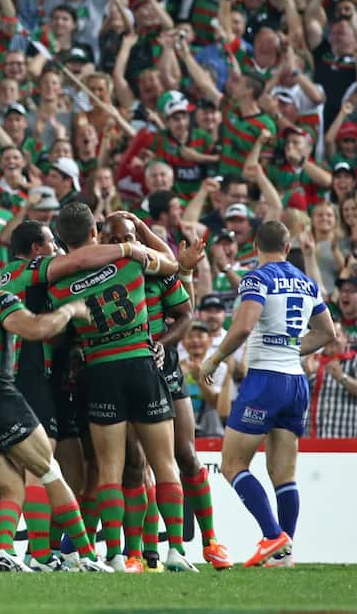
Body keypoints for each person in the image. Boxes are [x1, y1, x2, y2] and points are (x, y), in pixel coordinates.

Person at [0, 242, 110, 572]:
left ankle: (3, 551)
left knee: (10, 486)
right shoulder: (0, 300)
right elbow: (36, 329)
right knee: (48, 470)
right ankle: (88, 556)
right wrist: (70, 310)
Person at [46, 202, 199, 572]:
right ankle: (176, 551)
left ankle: (114, 555)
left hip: (100, 372)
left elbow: (60, 336)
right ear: (94, 233)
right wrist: (140, 232)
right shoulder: (131, 261)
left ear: (62, 241)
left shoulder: (59, 286)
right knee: (164, 464)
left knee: (109, 470)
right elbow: (173, 266)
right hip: (142, 365)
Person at [199, 220, 338, 568]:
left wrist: (215, 358)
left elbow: (244, 326)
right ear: (288, 248)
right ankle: (284, 553)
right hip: (296, 383)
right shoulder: (307, 283)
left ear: (255, 247)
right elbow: (327, 333)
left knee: (232, 464)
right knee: (284, 474)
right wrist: (290, 348)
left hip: (266, 380)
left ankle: (273, 536)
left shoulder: (257, 278)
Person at [100, 215, 233, 571]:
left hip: (165, 366)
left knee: (185, 455)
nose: (122, 243)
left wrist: (163, 343)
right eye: (114, 238)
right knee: (134, 464)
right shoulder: (99, 273)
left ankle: (210, 541)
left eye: (129, 237)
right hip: (126, 368)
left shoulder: (157, 269)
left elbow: (186, 315)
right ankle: (139, 553)